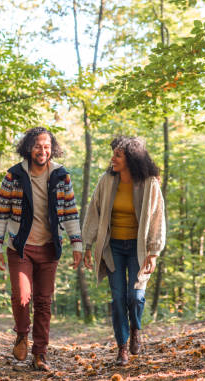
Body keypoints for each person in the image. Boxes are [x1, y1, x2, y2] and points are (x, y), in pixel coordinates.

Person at [0, 126, 83, 371]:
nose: (43, 151)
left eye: (47, 146)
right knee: (22, 297)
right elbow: (0, 213)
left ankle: (40, 354)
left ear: (52, 149)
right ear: (29, 148)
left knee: (43, 302)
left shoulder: (61, 176)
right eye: (38, 146)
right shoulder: (14, 176)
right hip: (20, 247)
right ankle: (22, 334)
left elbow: (71, 212)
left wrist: (77, 244)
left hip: (49, 247)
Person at [82, 136, 166, 365]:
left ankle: (135, 329)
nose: (113, 158)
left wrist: (154, 251)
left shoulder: (149, 183)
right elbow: (93, 212)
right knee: (118, 298)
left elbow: (158, 218)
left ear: (131, 158)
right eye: (114, 154)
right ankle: (122, 348)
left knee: (135, 296)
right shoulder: (106, 181)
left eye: (118, 155)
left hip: (138, 249)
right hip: (114, 248)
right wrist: (87, 245)